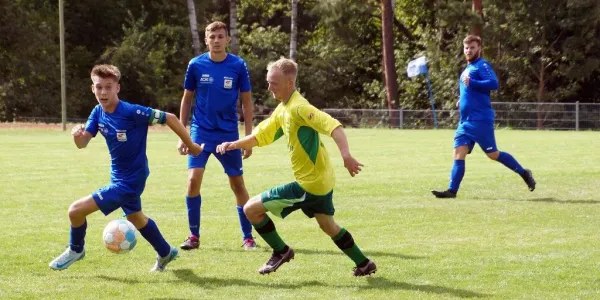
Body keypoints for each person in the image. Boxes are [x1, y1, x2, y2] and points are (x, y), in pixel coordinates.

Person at [216, 57, 377, 277]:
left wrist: (346, 155)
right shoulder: (284, 109)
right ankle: (364, 263)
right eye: (269, 82)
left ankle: (281, 251)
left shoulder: (299, 108)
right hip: (322, 181)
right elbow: (261, 135)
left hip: (309, 184)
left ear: (290, 84)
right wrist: (234, 144)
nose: (269, 87)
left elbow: (334, 126)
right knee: (328, 226)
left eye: (274, 83)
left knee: (250, 209)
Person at [49, 64, 203, 272]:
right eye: (99, 87)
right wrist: (77, 134)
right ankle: (166, 252)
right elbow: (83, 143)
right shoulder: (97, 112)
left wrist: (192, 146)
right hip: (118, 178)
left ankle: (76, 249)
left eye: (108, 87)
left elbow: (171, 118)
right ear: (92, 89)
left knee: (75, 211)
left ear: (117, 88)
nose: (103, 92)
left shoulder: (132, 112)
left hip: (130, 181)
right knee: (135, 217)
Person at [177, 21, 256, 250]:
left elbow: (247, 104)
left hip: (228, 134)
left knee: (238, 185)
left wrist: (248, 138)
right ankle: (193, 237)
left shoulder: (238, 65)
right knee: (192, 181)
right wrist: (183, 135)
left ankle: (248, 236)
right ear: (206, 40)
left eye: (221, 37)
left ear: (228, 40)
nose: (217, 41)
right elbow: (186, 99)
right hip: (200, 131)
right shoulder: (196, 65)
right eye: (212, 37)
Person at [431, 35, 536, 199]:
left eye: (472, 47)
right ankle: (452, 191)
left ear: (479, 48)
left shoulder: (482, 65)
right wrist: (462, 100)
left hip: (480, 119)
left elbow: (493, 84)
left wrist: (472, 82)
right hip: (465, 121)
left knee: (493, 154)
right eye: (466, 48)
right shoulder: (467, 68)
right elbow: (469, 89)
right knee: (458, 153)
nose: (469, 50)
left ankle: (524, 173)